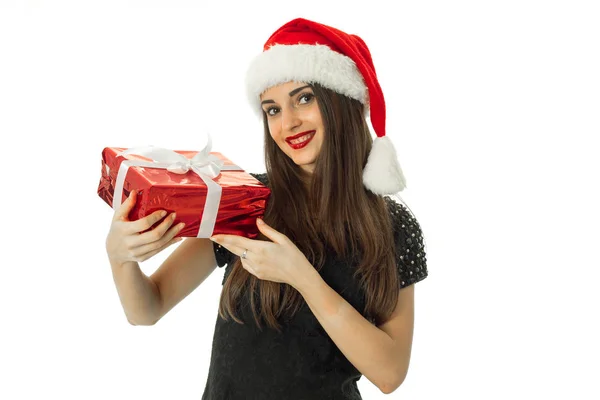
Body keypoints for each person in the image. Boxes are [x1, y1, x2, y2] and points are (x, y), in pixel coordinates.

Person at [105, 17, 428, 400]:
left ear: (341, 101)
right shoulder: (245, 199)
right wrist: (119, 257)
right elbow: (148, 309)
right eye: (272, 110)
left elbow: (390, 373)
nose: (287, 123)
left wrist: (303, 277)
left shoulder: (391, 224)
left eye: (304, 99)